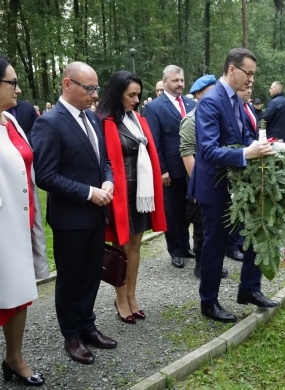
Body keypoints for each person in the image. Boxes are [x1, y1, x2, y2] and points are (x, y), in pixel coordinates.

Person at [30, 61, 117, 365]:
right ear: (68, 85)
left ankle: (88, 326)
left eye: (96, 88)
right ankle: (72, 335)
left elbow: (102, 159)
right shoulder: (50, 122)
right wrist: (89, 192)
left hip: (95, 215)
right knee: (70, 279)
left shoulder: (91, 119)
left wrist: (107, 180)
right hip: (70, 218)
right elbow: (45, 175)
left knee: (92, 273)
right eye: (88, 88)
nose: (95, 95)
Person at [188, 48, 280, 323]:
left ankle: (249, 290)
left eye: (253, 74)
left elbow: (244, 136)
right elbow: (207, 151)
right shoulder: (211, 101)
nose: (251, 80)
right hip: (214, 187)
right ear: (232, 69)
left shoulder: (237, 100)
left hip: (238, 184)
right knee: (215, 245)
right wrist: (246, 154)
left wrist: (262, 147)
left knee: (255, 233)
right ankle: (209, 302)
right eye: (248, 73)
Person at [97, 70, 166, 324]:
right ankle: (120, 298)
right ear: (118, 94)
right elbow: (104, 161)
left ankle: (132, 295)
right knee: (122, 247)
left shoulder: (138, 119)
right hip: (120, 194)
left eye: (138, 95)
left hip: (141, 192)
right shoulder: (105, 121)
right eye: (131, 95)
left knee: (136, 245)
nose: (136, 100)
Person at [0, 55, 48, 386]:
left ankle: (14, 358)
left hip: (19, 224)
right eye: (12, 82)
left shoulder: (10, 120)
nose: (18, 88)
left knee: (18, 293)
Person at [144, 65, 196, 269]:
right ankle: (174, 250)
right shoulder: (154, 107)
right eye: (175, 81)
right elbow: (154, 142)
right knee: (172, 211)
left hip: (190, 166)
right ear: (164, 82)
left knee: (187, 209)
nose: (180, 84)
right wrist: (162, 169)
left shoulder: (192, 104)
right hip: (170, 169)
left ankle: (185, 245)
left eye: (182, 80)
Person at [179, 74, 228, 279]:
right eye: (210, 90)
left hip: (215, 179)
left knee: (214, 226)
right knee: (200, 226)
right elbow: (187, 152)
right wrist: (199, 185)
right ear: (199, 94)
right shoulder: (191, 120)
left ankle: (211, 263)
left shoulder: (217, 114)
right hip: (200, 181)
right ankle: (201, 265)